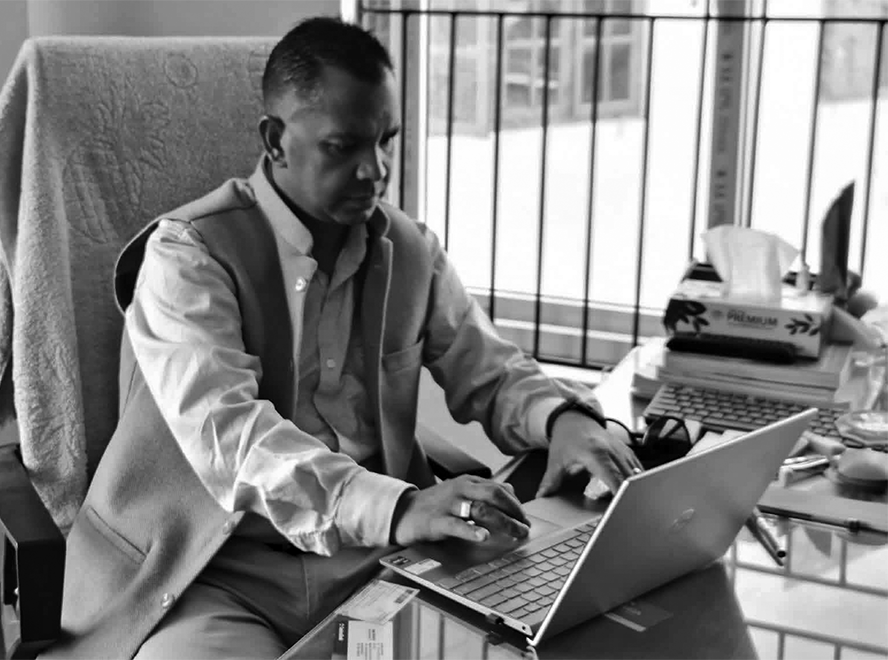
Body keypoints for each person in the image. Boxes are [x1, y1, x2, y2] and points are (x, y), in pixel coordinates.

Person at [48, 16, 642, 660]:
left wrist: (562, 419)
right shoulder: (187, 256)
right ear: (275, 141)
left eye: (386, 141)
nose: (375, 170)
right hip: (207, 575)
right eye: (343, 147)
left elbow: (490, 370)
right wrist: (401, 508)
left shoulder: (411, 251)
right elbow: (234, 441)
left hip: (372, 562)